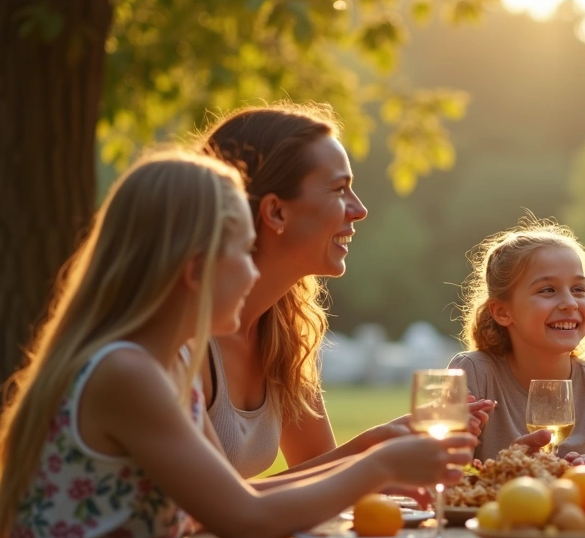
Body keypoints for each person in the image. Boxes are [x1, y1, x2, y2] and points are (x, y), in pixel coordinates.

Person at [0, 151, 475, 538]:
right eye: (243, 253)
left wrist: (368, 456)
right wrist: (379, 467)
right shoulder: (127, 373)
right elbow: (248, 523)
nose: (253, 274)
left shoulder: (171, 366)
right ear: (196, 269)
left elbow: (237, 500)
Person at [198, 102, 491, 478]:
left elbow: (317, 479)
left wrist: (383, 445)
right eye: (339, 190)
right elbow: (216, 506)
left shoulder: (282, 331)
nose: (360, 209)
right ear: (276, 212)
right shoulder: (185, 337)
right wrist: (374, 454)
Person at [449, 217, 585, 471]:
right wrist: (507, 468)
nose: (570, 303)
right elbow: (449, 472)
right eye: (548, 290)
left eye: (578, 289)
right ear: (503, 312)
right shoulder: (474, 374)